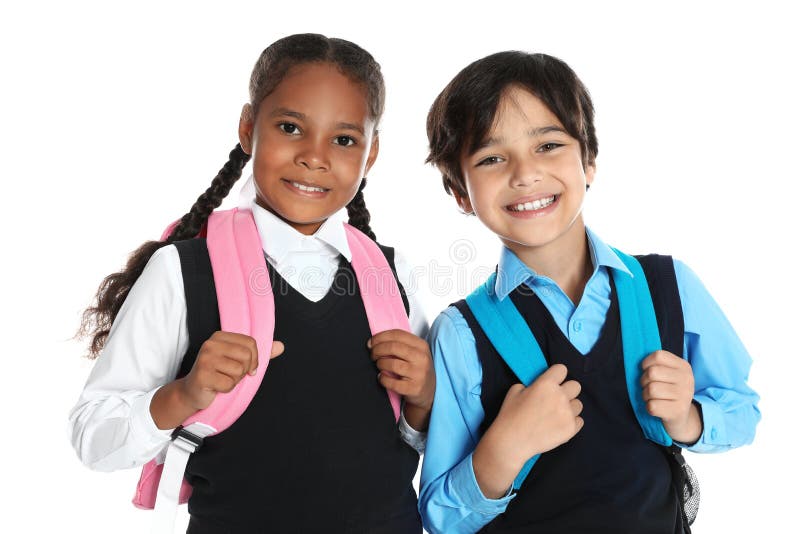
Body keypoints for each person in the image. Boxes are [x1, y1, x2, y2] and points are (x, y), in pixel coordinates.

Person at [70, 33, 434, 533]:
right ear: (247, 128)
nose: (314, 156)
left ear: (370, 155)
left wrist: (423, 402)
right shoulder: (183, 271)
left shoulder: (394, 277)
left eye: (344, 139)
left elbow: (421, 443)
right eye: (290, 127)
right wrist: (183, 395)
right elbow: (93, 437)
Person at [418, 50, 760, 533]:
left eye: (548, 145)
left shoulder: (669, 287)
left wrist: (688, 419)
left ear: (589, 161)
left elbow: (743, 410)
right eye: (492, 157)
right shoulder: (461, 334)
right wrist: (504, 450)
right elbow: (439, 516)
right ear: (459, 191)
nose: (524, 174)